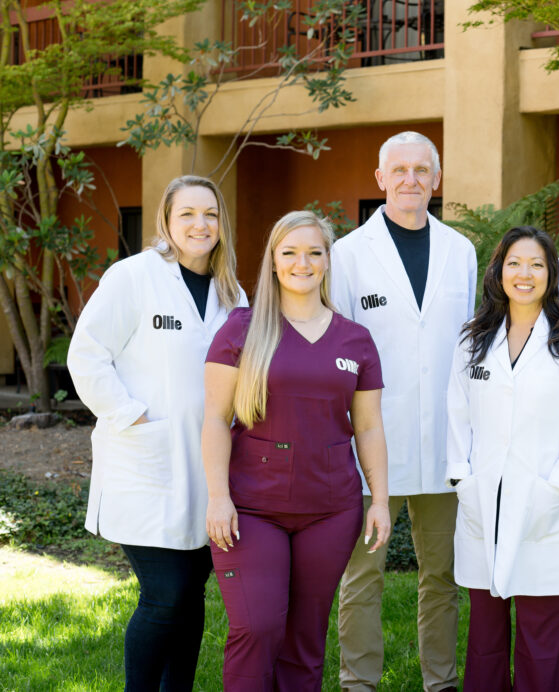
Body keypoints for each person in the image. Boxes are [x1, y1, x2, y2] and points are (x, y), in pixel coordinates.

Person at [67, 175, 245, 691]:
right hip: (145, 462)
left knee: (190, 594)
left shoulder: (233, 292)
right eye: (187, 213)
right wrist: (130, 415)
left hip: (210, 469)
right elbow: (88, 355)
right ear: (166, 221)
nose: (200, 224)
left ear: (221, 223)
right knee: (164, 595)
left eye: (210, 214)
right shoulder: (133, 277)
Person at [202, 210, 391, 690]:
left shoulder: (356, 339)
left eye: (314, 252)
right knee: (257, 625)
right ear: (272, 261)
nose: (301, 263)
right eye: (289, 252)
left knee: (306, 637)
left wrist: (381, 501)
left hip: (330, 508)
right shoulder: (241, 330)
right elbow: (214, 421)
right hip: (251, 507)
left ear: (328, 261)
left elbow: (368, 428)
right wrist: (217, 496)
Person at [330, 131, 475, 692]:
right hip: (369, 441)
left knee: (440, 573)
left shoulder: (460, 252)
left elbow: (469, 344)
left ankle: (441, 682)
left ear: (436, 180)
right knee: (362, 573)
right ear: (380, 179)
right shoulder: (347, 255)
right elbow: (335, 349)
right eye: (400, 170)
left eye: (422, 170)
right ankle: (358, 683)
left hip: (443, 442)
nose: (411, 179)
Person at [446, 225, 559, 692]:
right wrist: (463, 480)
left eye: (536, 264)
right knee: (486, 635)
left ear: (552, 273)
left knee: (540, 637)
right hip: (482, 501)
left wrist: (558, 488)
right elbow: (457, 415)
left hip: (545, 503)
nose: (524, 273)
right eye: (514, 263)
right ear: (498, 271)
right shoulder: (474, 337)